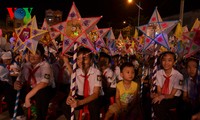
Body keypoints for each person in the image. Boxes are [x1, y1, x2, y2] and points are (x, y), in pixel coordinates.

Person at [14, 44, 55, 120]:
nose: (32, 56)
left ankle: (40, 117)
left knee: (41, 93)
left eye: (36, 53)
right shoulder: (26, 66)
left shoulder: (45, 66)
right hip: (30, 89)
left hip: (45, 90)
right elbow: (20, 79)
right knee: (10, 89)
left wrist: (27, 96)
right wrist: (16, 84)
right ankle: (20, 114)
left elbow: (44, 83)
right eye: (30, 53)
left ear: (42, 56)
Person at [62, 47, 102, 120]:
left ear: (91, 60)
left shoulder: (96, 72)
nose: (81, 61)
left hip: (92, 97)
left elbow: (96, 94)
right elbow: (72, 90)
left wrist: (80, 103)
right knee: (65, 105)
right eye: (78, 59)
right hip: (81, 96)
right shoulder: (76, 72)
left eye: (85, 59)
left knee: (93, 105)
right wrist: (69, 97)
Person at [151, 51, 184, 120]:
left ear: (174, 62)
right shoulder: (158, 73)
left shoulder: (179, 76)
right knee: (154, 101)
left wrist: (161, 97)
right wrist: (158, 96)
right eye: (164, 60)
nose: (166, 63)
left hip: (174, 98)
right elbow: (159, 90)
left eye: (169, 60)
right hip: (163, 95)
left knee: (158, 105)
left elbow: (171, 95)